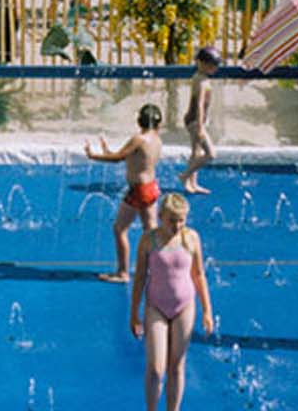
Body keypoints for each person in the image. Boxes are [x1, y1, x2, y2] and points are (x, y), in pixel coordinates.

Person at [129, 189, 214, 410]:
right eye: (171, 221)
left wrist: (207, 310)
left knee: (176, 366)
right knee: (156, 368)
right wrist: (134, 313)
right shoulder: (149, 240)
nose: (177, 226)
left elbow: (198, 274)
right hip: (155, 306)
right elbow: (139, 277)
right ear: (160, 218)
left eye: (181, 221)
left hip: (184, 307)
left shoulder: (191, 238)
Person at [85, 104, 165, 282]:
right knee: (151, 231)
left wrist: (94, 156)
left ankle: (122, 272)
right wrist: (108, 152)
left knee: (120, 229)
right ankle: (158, 268)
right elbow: (128, 157)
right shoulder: (157, 140)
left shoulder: (139, 139)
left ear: (139, 121)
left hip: (139, 190)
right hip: (152, 188)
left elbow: (119, 158)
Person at [181, 47, 220, 195]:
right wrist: (200, 126)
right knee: (211, 154)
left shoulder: (200, 77)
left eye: (215, 65)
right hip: (195, 122)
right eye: (210, 65)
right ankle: (185, 176)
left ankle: (193, 183)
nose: (213, 68)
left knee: (196, 152)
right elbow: (199, 104)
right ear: (200, 63)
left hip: (194, 120)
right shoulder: (202, 81)